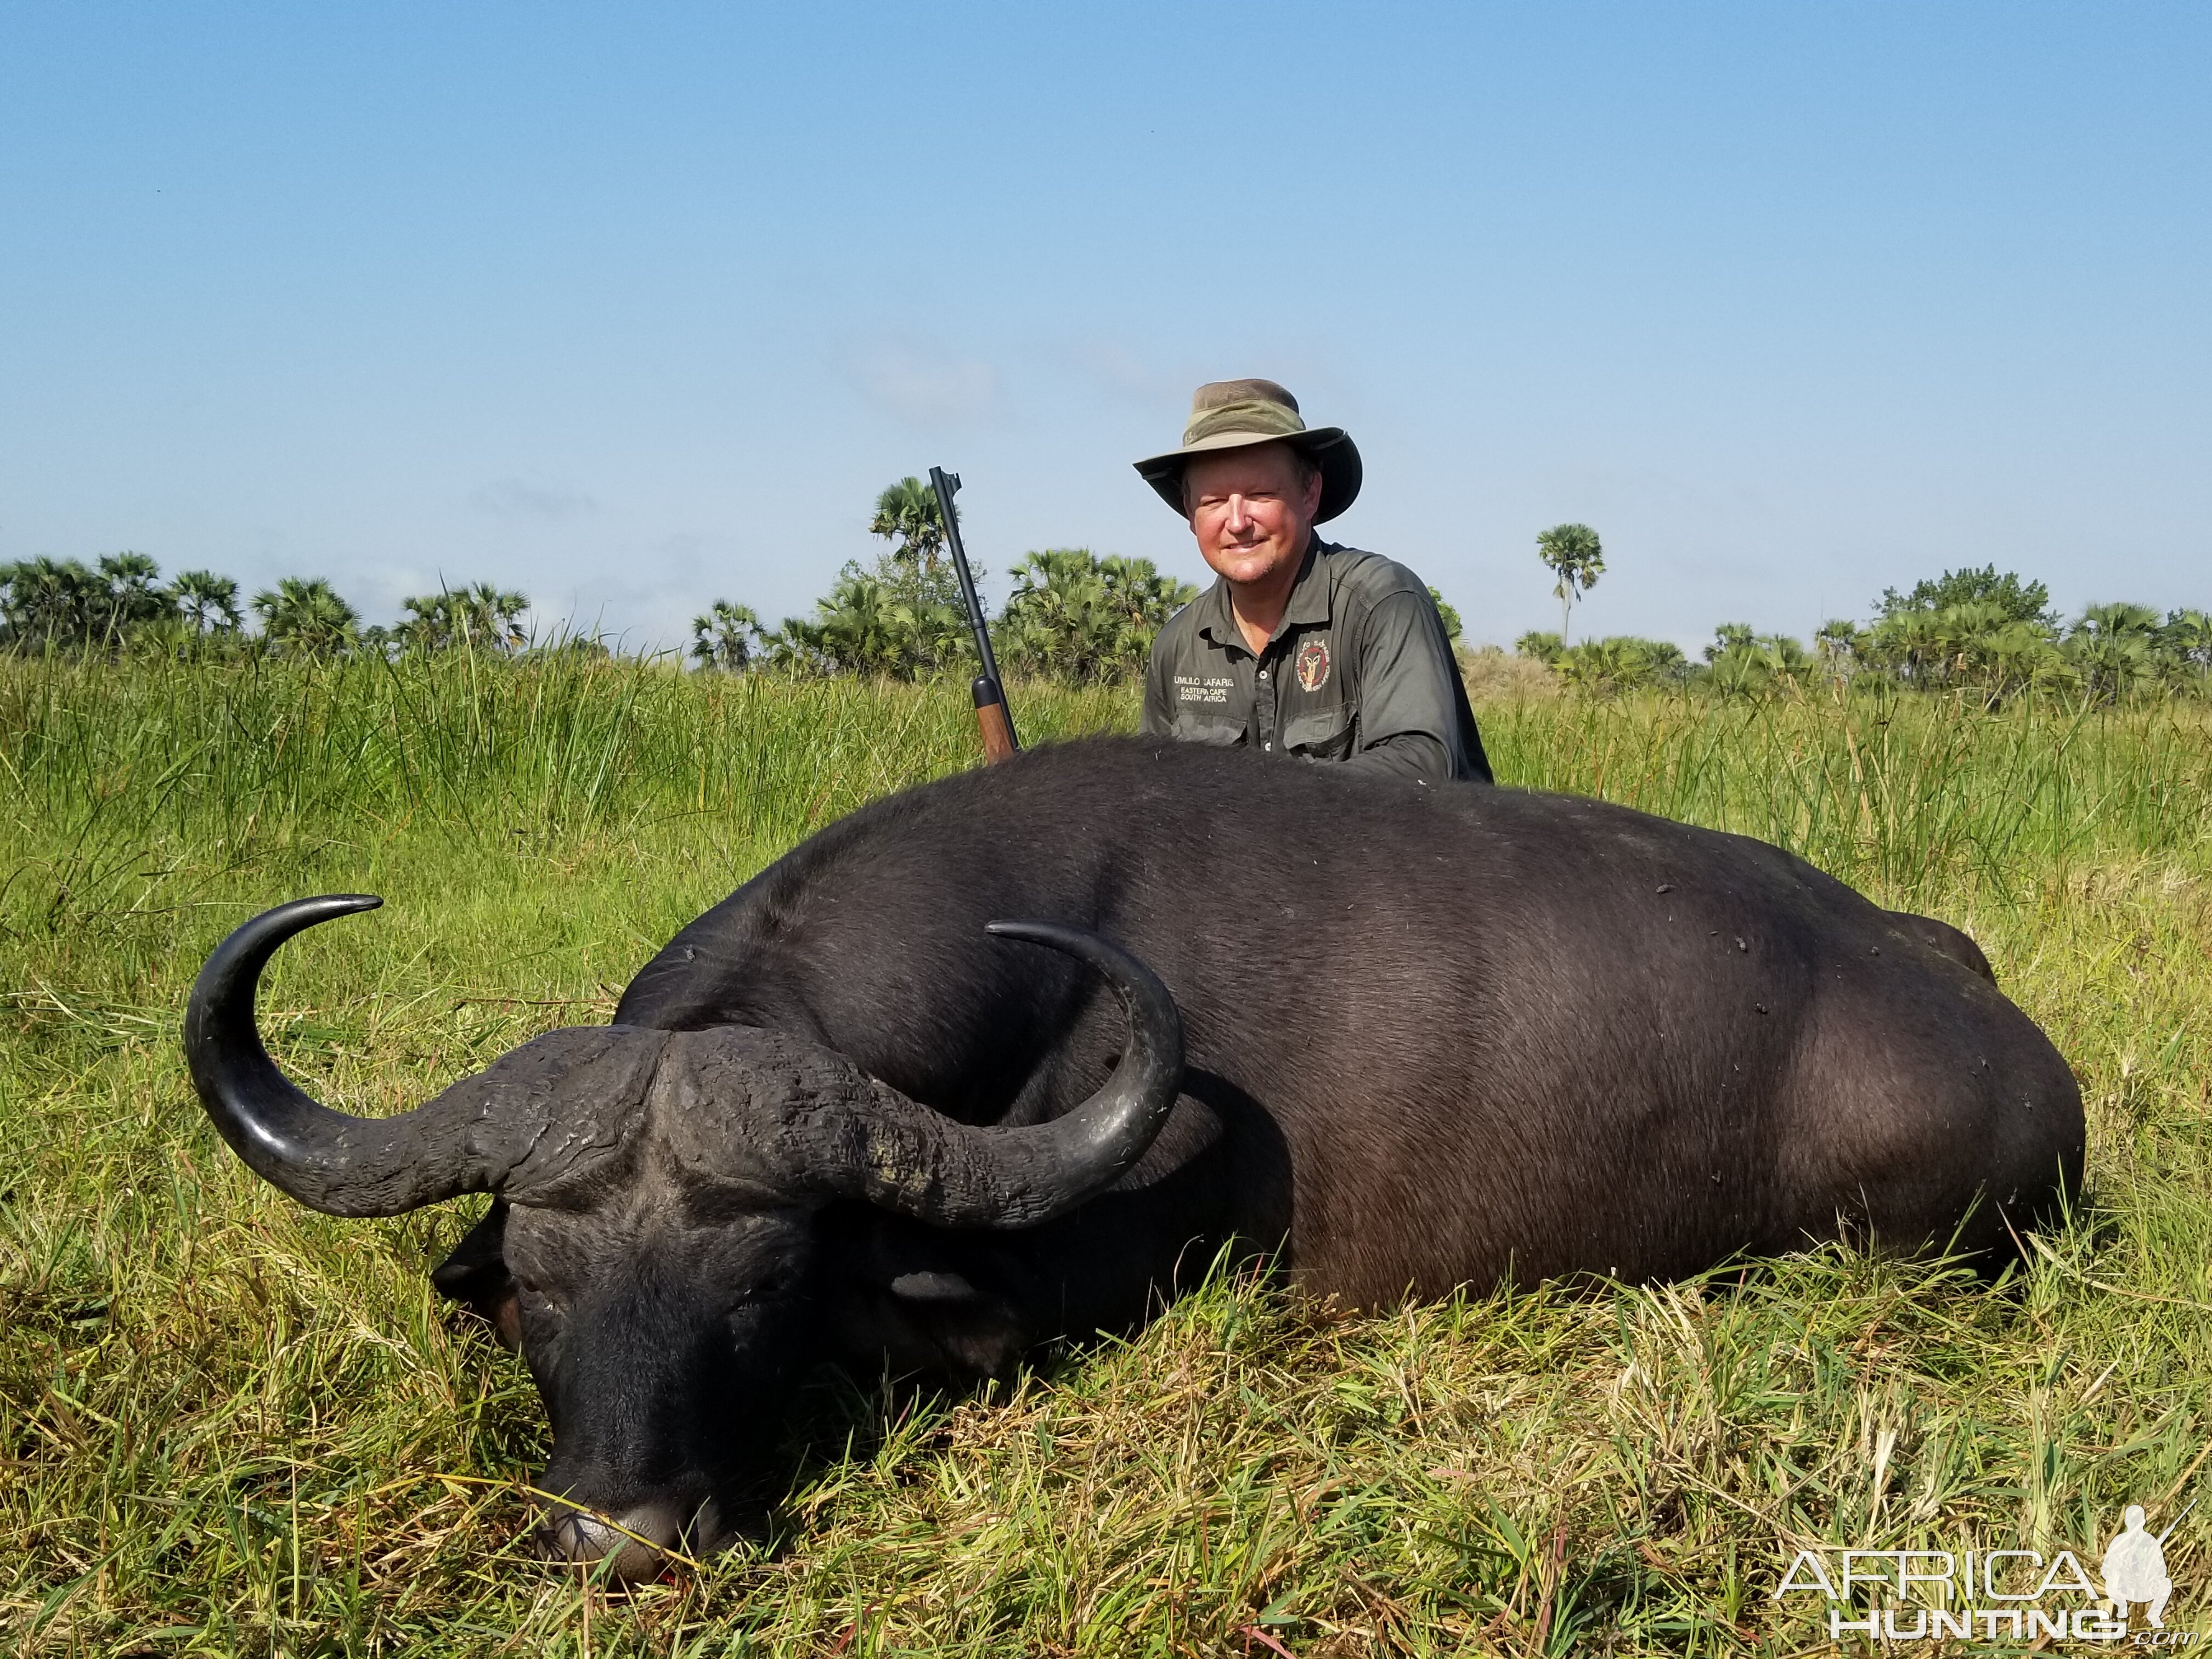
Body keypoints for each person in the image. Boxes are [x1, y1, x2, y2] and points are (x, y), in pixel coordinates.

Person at [1135, 378, 1491, 784]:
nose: (1236, 522)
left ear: (1310, 495)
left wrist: (1261, 811)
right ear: (1189, 511)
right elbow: (1154, 794)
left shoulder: (1383, 604)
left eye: (1260, 494)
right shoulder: (1178, 646)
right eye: (1214, 501)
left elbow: (1421, 765)